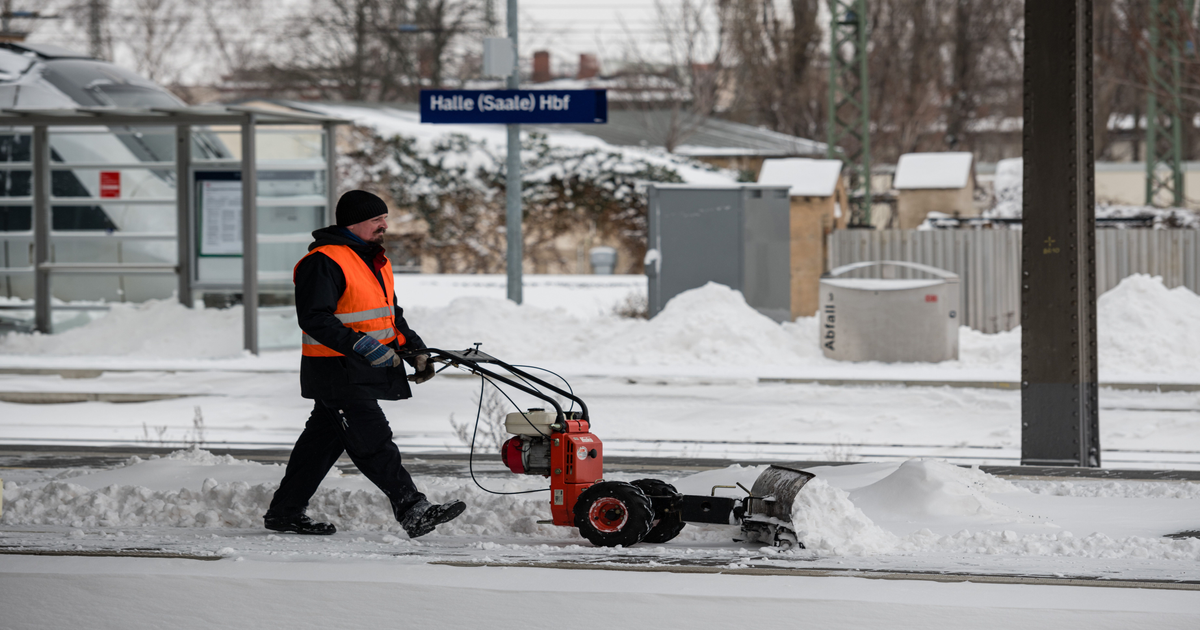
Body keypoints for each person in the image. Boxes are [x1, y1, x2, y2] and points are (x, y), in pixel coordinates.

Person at [264, 190, 465, 538]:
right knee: (372, 438)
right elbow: (313, 318)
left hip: (356, 369)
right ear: (353, 222)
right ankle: (411, 507)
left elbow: (389, 315)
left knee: (320, 444)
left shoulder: (373, 260)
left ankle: (285, 512)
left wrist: (415, 350)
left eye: (385, 218)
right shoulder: (325, 261)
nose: (384, 225)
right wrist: (362, 345)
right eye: (377, 219)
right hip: (335, 370)